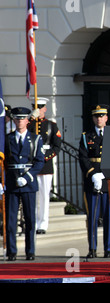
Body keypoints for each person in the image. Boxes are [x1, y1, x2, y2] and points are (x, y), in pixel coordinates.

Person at [4, 107, 45, 261]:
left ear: (28, 120)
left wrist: (28, 177)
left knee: (30, 219)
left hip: (28, 183)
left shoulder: (35, 139)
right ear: (14, 120)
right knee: (11, 220)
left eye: (23, 118)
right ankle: (12, 251)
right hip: (12, 182)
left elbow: (39, 161)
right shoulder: (7, 139)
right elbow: (4, 162)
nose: (20, 121)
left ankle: (30, 251)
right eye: (17, 118)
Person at [78, 105, 110, 259]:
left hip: (107, 181)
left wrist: (105, 174)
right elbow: (83, 157)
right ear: (93, 118)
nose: (99, 119)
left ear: (106, 118)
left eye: (102, 116)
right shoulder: (87, 136)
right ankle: (92, 248)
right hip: (92, 180)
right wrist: (93, 174)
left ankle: (107, 249)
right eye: (96, 116)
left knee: (108, 217)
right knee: (92, 216)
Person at [28, 97, 62, 234]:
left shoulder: (51, 125)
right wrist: (31, 119)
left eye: (40, 107)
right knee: (33, 195)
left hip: (46, 164)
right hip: (32, 164)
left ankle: (43, 223)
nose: (38, 110)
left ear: (45, 108)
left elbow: (57, 146)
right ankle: (33, 222)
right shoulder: (30, 124)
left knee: (44, 195)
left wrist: (45, 158)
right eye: (35, 107)